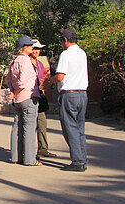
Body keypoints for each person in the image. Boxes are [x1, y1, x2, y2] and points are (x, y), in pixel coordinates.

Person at [46, 28, 88, 171]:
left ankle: (77, 161)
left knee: (70, 128)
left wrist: (49, 81)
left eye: (61, 41)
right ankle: (83, 160)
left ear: (65, 40)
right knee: (80, 128)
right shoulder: (82, 53)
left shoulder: (66, 54)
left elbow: (60, 76)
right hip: (82, 94)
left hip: (69, 94)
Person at [5, 35, 39, 166]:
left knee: (17, 127)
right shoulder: (25, 61)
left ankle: (15, 157)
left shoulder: (13, 61)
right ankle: (30, 159)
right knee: (29, 128)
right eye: (30, 45)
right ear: (24, 48)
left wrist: (13, 92)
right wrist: (16, 92)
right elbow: (23, 82)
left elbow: (8, 80)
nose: (32, 47)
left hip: (18, 100)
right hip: (27, 97)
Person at [30, 40, 57, 159]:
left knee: (42, 123)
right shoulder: (24, 62)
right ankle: (27, 150)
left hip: (39, 97)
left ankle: (43, 149)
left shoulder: (40, 64)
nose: (36, 51)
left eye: (38, 49)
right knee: (29, 125)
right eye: (34, 48)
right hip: (28, 97)